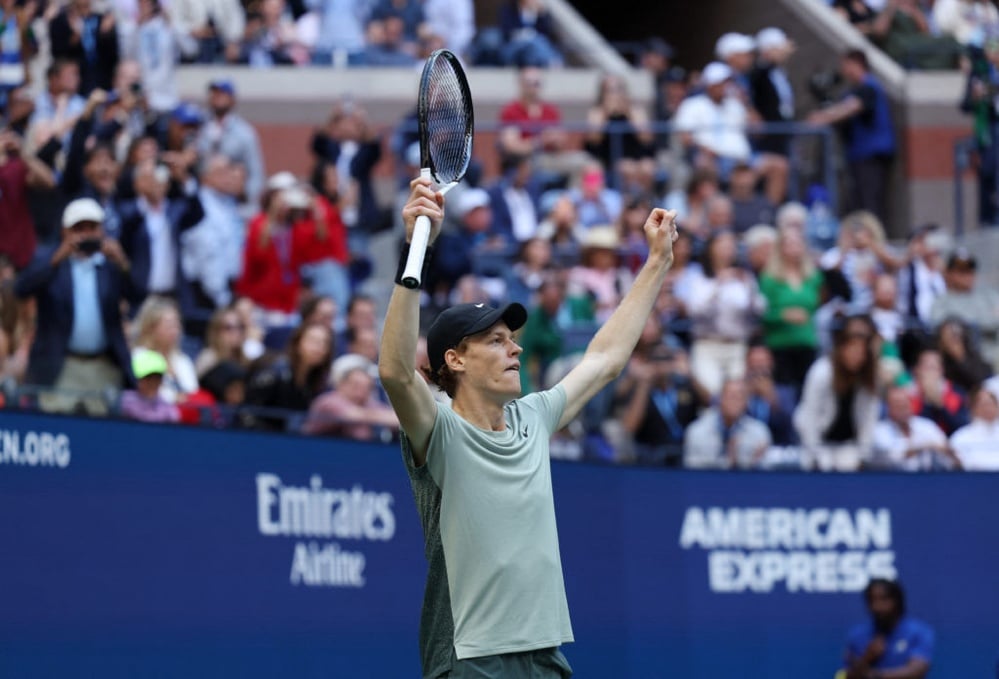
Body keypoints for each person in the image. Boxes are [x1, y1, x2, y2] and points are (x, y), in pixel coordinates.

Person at [378, 175, 679, 677]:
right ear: (454, 360)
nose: (515, 348)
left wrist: (657, 263)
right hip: (470, 657)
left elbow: (604, 358)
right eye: (495, 341)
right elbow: (393, 371)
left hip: (545, 654)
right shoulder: (440, 430)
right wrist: (417, 247)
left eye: (512, 338)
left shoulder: (533, 418)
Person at [15, 198, 135, 414]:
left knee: (104, 435)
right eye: (79, 228)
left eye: (92, 228)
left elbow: (139, 295)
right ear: (65, 231)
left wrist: (123, 263)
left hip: (102, 366)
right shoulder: (50, 260)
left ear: (102, 230)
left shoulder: (111, 266)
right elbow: (21, 289)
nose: (86, 234)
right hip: (61, 366)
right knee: (57, 429)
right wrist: (57, 258)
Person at [807, 49, 896, 224]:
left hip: (871, 154)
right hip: (857, 153)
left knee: (870, 199)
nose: (843, 71)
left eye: (845, 65)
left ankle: (874, 237)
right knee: (858, 200)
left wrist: (822, 117)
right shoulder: (852, 90)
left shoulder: (869, 87)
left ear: (856, 64)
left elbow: (850, 107)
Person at [794, 314, 882, 471]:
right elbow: (810, 416)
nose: (858, 355)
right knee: (823, 465)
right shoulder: (821, 372)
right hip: (817, 441)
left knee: (849, 465)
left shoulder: (868, 378)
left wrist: (863, 456)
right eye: (853, 348)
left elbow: (869, 419)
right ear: (842, 348)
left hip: (849, 445)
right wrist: (815, 454)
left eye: (862, 351)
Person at [841, 578, 934, 679]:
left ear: (897, 601)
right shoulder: (857, 635)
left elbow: (916, 672)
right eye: (872, 600)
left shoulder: (918, 632)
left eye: (883, 599)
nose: (877, 607)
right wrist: (867, 658)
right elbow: (847, 676)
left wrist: (874, 675)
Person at [302, 353, 399, 440]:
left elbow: (397, 420)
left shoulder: (367, 404)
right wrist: (382, 417)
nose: (361, 392)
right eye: (355, 386)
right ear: (341, 384)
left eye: (367, 387)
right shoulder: (328, 402)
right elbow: (353, 416)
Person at [683, 377, 772, 470]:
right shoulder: (697, 431)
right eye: (731, 396)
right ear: (719, 398)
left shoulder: (759, 432)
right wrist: (726, 463)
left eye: (740, 396)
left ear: (746, 402)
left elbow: (767, 472)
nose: (734, 401)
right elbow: (692, 470)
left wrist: (752, 465)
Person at [872, 384, 960, 470]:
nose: (903, 408)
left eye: (905, 403)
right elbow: (890, 459)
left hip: (930, 479)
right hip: (894, 481)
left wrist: (940, 449)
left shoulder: (927, 425)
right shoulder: (879, 431)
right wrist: (922, 447)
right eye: (898, 405)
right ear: (889, 408)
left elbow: (947, 451)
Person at [119, 348, 181, 423]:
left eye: (157, 379)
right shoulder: (126, 400)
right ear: (138, 379)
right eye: (148, 379)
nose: (152, 383)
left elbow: (175, 418)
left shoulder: (166, 406)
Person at [948, 384, 999, 470]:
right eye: (984, 404)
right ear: (973, 408)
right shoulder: (960, 437)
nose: (988, 408)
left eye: (991, 404)